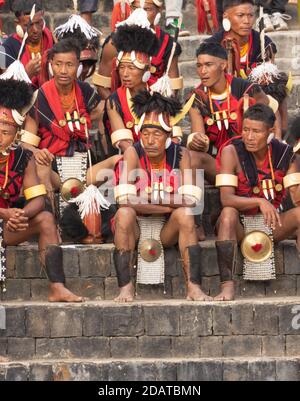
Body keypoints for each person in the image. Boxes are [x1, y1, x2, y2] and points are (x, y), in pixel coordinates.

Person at [112, 90, 210, 302]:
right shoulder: (132, 153)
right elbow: (125, 200)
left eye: (156, 135)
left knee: (185, 214)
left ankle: (194, 287)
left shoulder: (182, 154)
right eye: (145, 134)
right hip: (137, 226)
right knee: (123, 214)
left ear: (167, 136)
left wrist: (149, 199)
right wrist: (167, 203)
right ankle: (125, 288)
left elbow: (190, 201)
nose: (149, 140)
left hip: (168, 229)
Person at [0, 76, 82, 302]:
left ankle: (57, 287)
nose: (0, 137)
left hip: (7, 225)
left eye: (5, 132)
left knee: (45, 217)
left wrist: (20, 215)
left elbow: (37, 198)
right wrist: (5, 213)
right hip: (4, 218)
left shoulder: (24, 159)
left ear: (16, 135)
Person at [214, 104, 300, 301]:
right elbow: (226, 198)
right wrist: (260, 201)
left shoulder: (285, 154)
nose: (249, 137)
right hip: (240, 225)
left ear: (270, 133)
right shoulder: (231, 151)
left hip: (271, 224)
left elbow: (296, 197)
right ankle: (227, 287)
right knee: (227, 213)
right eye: (245, 130)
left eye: (256, 131)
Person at [21, 39, 102, 214]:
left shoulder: (86, 92)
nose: (63, 71)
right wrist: (37, 152)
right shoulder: (39, 98)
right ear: (51, 65)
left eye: (69, 65)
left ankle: (96, 218)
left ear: (78, 67)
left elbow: (102, 113)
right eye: (58, 64)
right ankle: (52, 218)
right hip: (53, 166)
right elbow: (26, 143)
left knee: (118, 161)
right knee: (40, 165)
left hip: (84, 163)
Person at [186, 42, 278, 184]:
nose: (202, 71)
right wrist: (197, 141)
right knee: (191, 157)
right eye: (199, 66)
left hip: (252, 161)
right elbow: (199, 134)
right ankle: (187, 204)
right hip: (220, 165)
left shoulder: (247, 89)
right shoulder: (197, 98)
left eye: (208, 65)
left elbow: (270, 119)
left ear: (223, 65)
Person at [93, 0, 182, 100]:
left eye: (147, 9)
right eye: (136, 9)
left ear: (159, 10)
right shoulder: (114, 43)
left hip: (156, 106)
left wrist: (157, 110)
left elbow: (174, 87)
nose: (141, 14)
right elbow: (102, 86)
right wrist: (118, 108)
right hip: (121, 106)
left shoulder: (168, 44)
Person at [205, 0, 277, 79]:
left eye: (250, 15)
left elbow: (269, 78)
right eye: (240, 15)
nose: (247, 21)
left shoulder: (265, 44)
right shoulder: (211, 46)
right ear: (226, 16)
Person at [2, 1, 53, 87]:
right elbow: (6, 90)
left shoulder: (51, 39)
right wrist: (26, 74)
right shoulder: (7, 48)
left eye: (38, 23)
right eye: (29, 25)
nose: (35, 30)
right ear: (17, 24)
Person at [54, 14, 102, 82]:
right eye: (81, 62)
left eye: (88, 63)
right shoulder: (46, 90)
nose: (84, 69)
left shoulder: (88, 91)